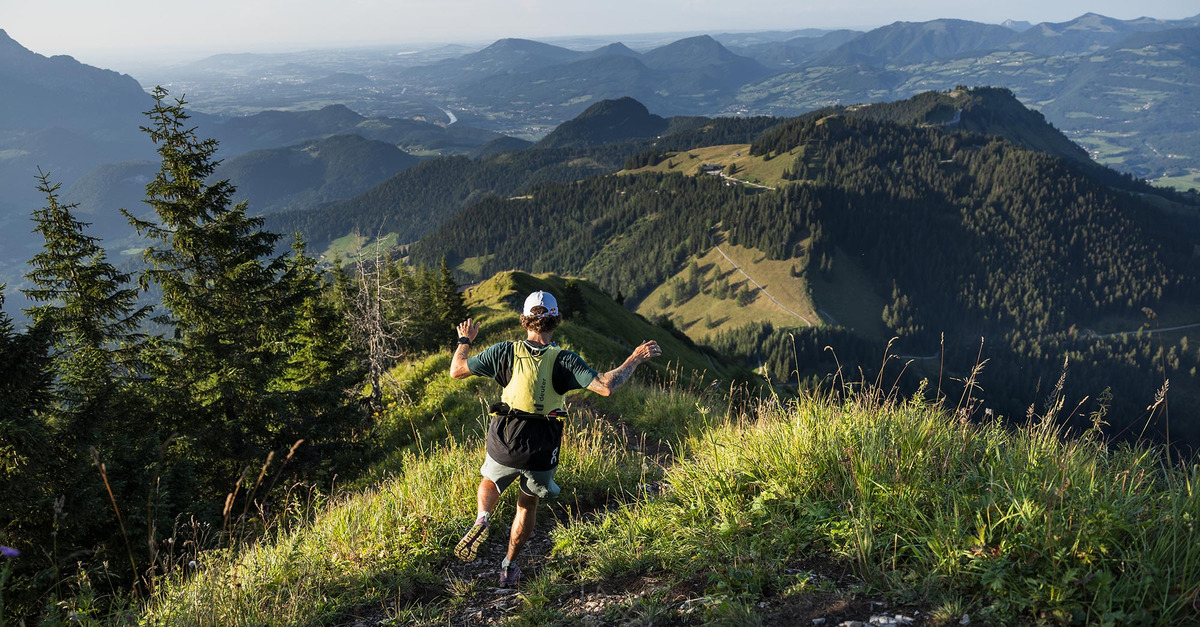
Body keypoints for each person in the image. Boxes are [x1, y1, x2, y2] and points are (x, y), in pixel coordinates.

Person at [449, 289, 661, 587]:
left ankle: (483, 517)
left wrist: (465, 340)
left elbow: (456, 370)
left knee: (490, 480)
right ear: (555, 320)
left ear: (525, 320)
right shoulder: (565, 359)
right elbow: (605, 387)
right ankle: (509, 566)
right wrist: (634, 359)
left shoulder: (503, 351)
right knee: (527, 504)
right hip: (543, 445)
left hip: (506, 437)